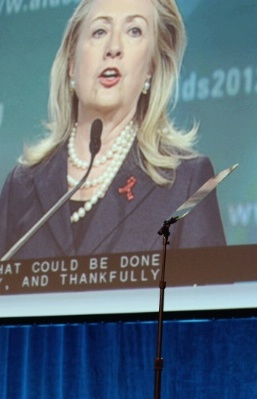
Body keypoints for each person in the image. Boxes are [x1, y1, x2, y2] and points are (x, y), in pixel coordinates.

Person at [0, 0, 226, 260]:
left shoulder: (185, 183)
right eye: (99, 32)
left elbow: (210, 297)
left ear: (152, 66)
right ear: (72, 62)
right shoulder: (22, 187)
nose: (114, 48)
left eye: (134, 31)